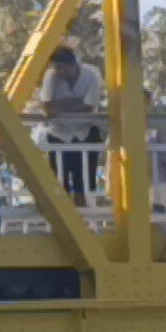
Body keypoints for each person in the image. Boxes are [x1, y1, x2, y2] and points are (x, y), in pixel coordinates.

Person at [41, 47, 105, 210]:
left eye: (60, 68)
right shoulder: (51, 75)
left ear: (72, 65)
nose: (57, 71)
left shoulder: (92, 74)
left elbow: (88, 107)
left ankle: (83, 221)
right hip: (58, 133)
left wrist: (60, 106)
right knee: (59, 184)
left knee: (84, 183)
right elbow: (47, 107)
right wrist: (75, 102)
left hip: (86, 132)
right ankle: (65, 219)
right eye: (55, 67)